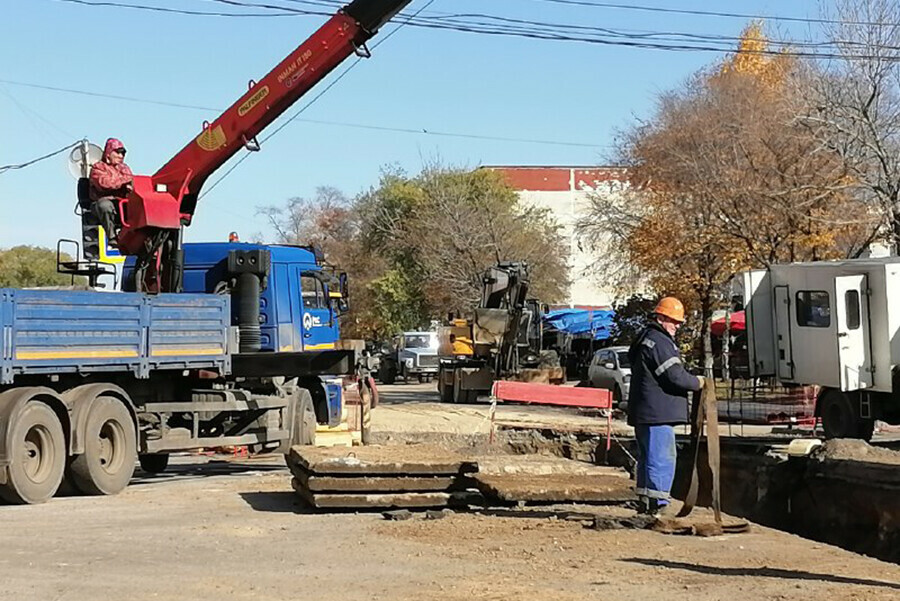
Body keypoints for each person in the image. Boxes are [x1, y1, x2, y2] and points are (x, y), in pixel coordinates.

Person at [626, 296, 704, 515]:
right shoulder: (660, 342)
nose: (677, 326)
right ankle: (658, 504)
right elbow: (675, 376)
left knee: (648, 458)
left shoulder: (645, 338)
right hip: (657, 413)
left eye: (679, 322)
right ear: (661, 317)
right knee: (661, 458)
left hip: (646, 411)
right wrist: (698, 382)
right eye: (674, 321)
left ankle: (646, 501)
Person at [89, 138, 133, 239]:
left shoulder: (125, 168)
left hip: (121, 202)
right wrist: (123, 181)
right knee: (105, 206)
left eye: (123, 153)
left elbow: (132, 182)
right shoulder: (98, 167)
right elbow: (104, 184)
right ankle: (112, 236)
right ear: (109, 152)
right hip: (102, 202)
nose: (121, 156)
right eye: (118, 152)